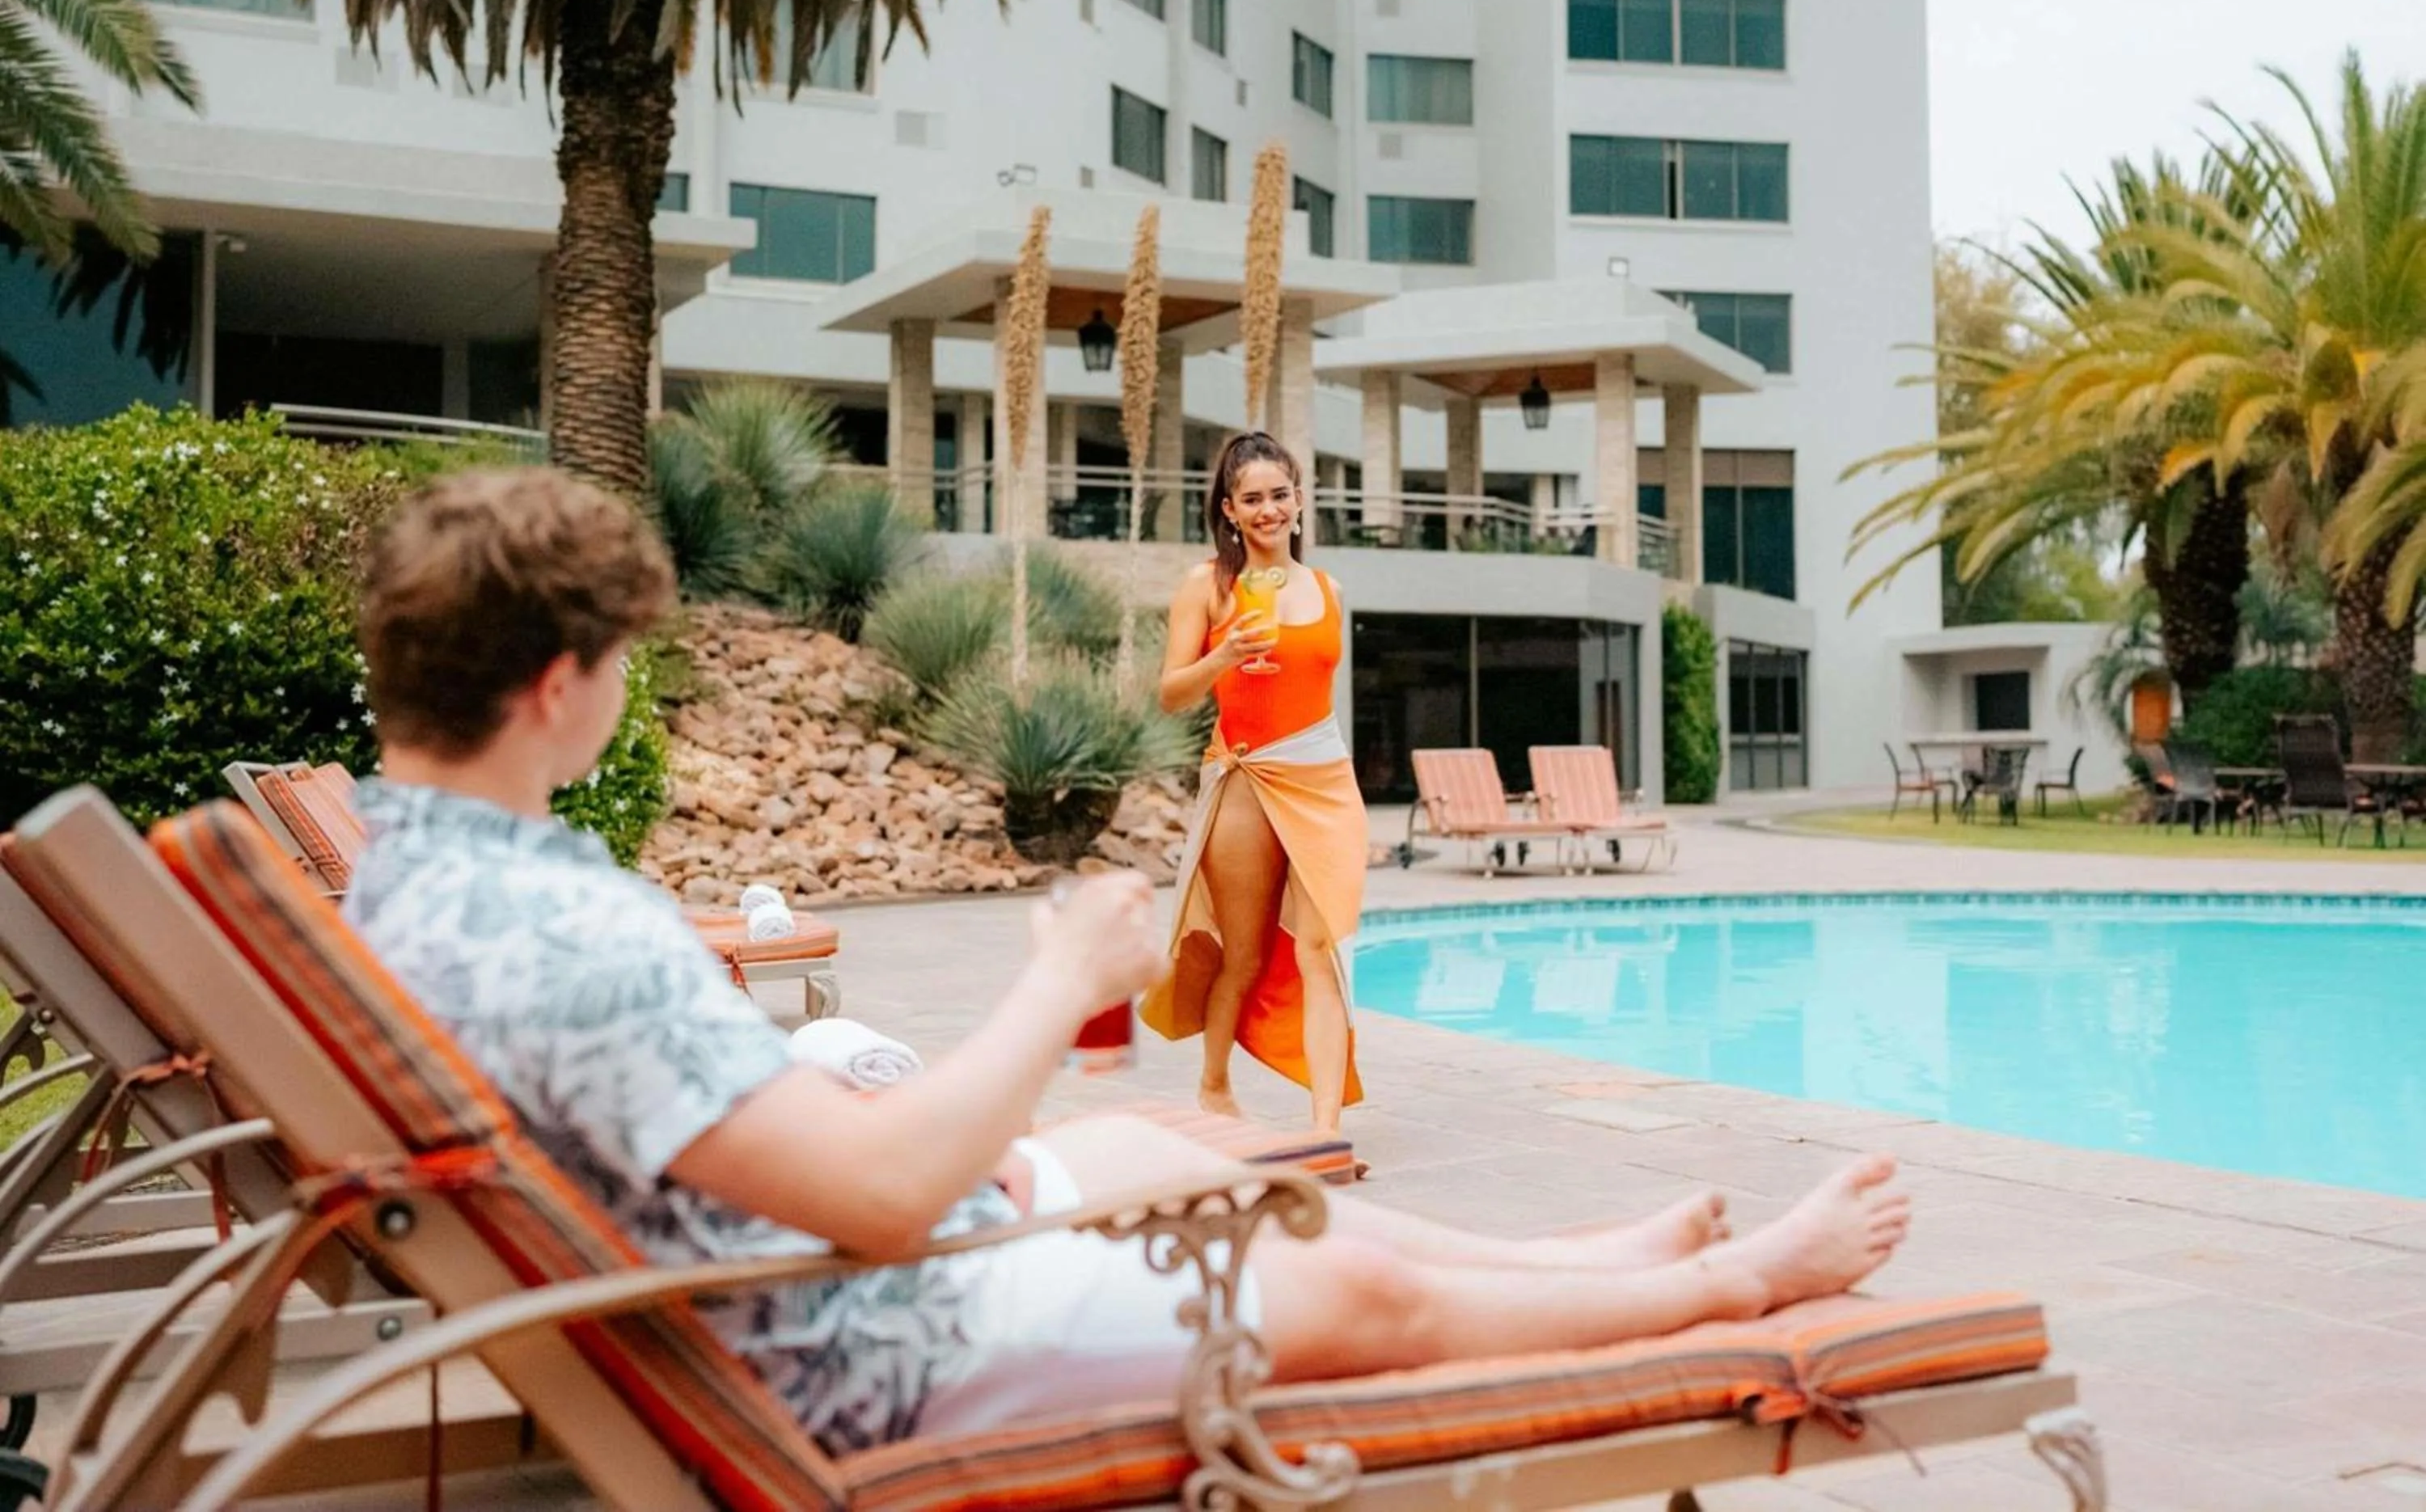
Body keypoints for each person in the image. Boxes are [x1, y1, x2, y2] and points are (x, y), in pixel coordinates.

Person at [344, 465, 1913, 1459]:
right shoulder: (563, 930)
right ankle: (1732, 1284)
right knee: (1345, 1286)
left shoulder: (412, 879)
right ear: (557, 686)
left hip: (762, 1267)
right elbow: (883, 1201)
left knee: (1143, 1144)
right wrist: (1057, 977)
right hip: (833, 1339)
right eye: (623, 667)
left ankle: (1589, 1265)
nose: (634, 692)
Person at [1142, 431, 1364, 1134]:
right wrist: (1227, 654)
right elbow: (1171, 694)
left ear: (1299, 502)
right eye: (1252, 499)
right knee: (1243, 950)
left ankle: (1325, 1126)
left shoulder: (1328, 588)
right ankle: (1213, 1085)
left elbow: (1317, 689)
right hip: (1244, 772)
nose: (1268, 509)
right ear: (1230, 511)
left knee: (1320, 947)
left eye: (1279, 495)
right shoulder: (1206, 585)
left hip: (1323, 777)